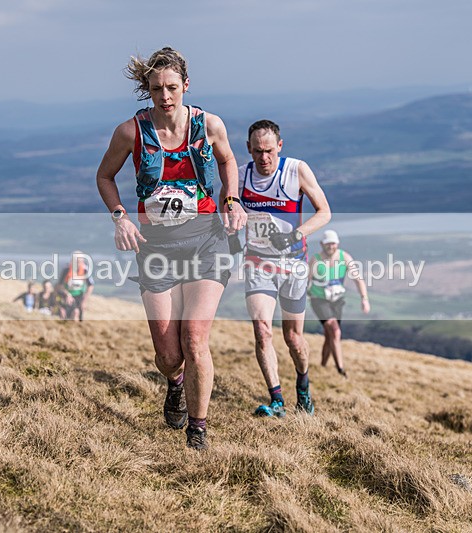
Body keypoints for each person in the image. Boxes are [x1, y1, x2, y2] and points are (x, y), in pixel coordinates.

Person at [96, 47, 246, 450]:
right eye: (157, 88)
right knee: (168, 354)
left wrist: (231, 200)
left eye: (172, 87)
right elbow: (105, 176)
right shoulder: (131, 132)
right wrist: (120, 217)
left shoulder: (209, 124)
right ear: (147, 89)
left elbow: (229, 161)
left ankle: (198, 429)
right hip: (156, 247)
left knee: (195, 339)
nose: (165, 96)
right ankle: (174, 383)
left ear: (186, 85)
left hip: (206, 241)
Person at [238, 120, 331, 418]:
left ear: (279, 146)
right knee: (263, 331)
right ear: (249, 149)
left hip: (293, 264)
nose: (263, 158)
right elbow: (225, 215)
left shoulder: (296, 170)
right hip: (258, 263)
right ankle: (276, 400)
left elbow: (324, 212)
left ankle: (303, 385)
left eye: (268, 151)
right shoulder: (240, 176)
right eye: (256, 152)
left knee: (293, 339)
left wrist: (294, 234)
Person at [308, 229, 371, 378]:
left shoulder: (345, 258)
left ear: (337, 244)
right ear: (321, 244)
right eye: (327, 244)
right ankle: (341, 370)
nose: (331, 247)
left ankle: (322, 366)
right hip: (319, 300)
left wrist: (364, 299)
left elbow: (358, 279)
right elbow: (306, 280)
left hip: (337, 301)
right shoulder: (316, 260)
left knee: (330, 335)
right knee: (335, 331)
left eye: (333, 244)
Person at [56, 251, 95, 321]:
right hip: (66, 297)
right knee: (62, 314)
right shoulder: (66, 270)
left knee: (76, 313)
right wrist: (67, 294)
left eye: (80, 261)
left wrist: (84, 301)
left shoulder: (85, 270)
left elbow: (90, 286)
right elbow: (59, 285)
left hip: (79, 298)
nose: (78, 263)